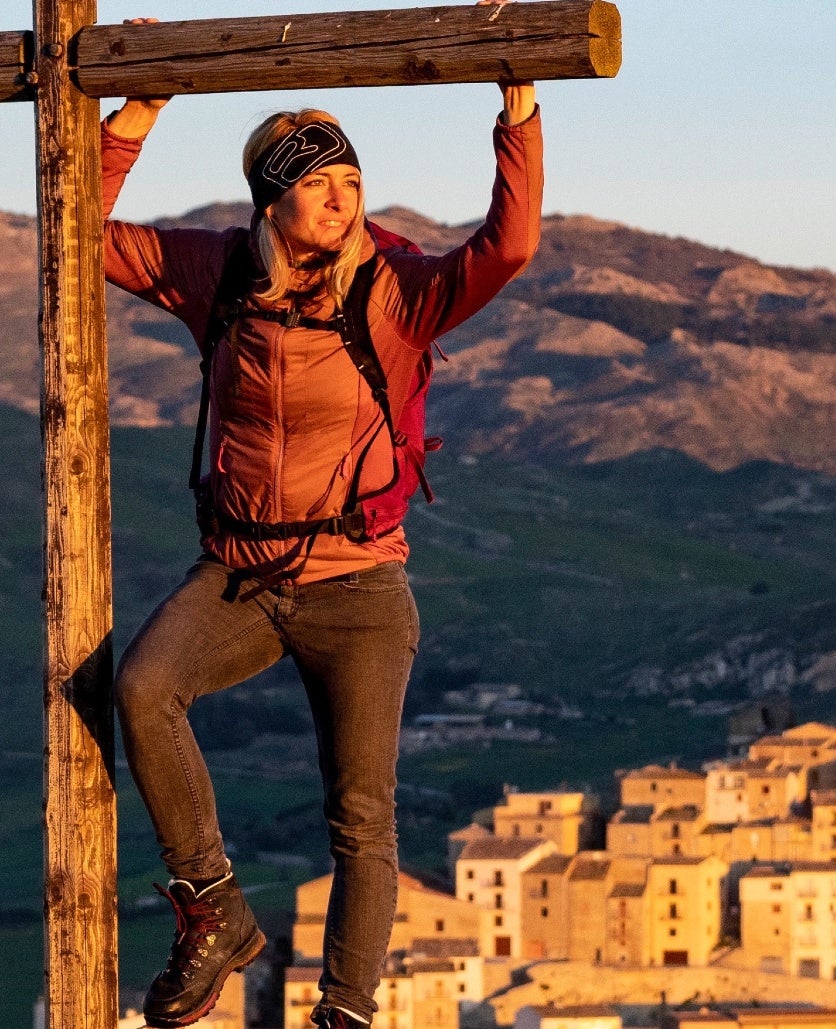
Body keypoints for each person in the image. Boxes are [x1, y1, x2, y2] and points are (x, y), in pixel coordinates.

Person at [98, 27, 544, 1029]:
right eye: (317, 182)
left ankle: (344, 1012)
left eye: (350, 179)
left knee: (362, 816)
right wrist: (135, 117)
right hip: (241, 575)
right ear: (271, 201)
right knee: (143, 687)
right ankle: (214, 908)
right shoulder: (219, 275)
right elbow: (74, 230)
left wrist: (516, 111)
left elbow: (508, 247)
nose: (342, 198)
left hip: (360, 586)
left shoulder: (397, 289)